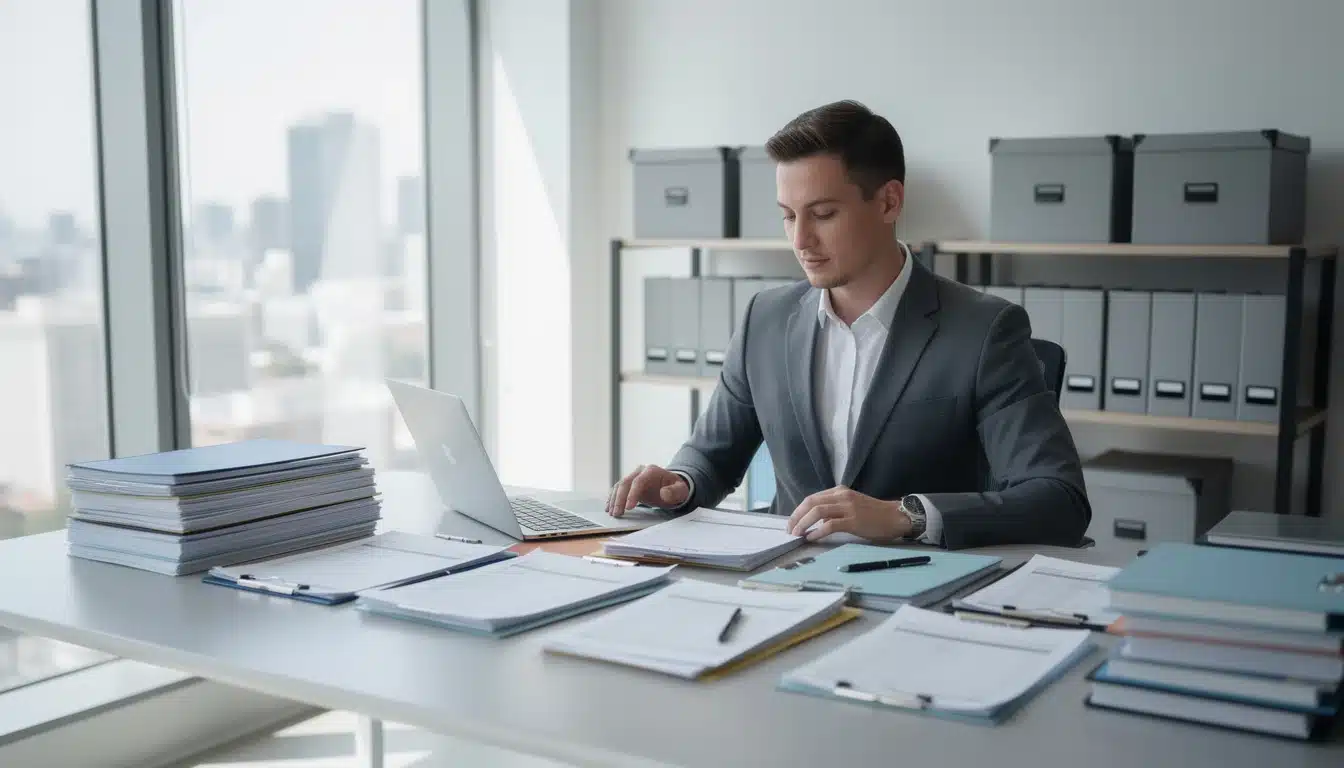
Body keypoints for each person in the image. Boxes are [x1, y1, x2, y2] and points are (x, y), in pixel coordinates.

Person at [607, 100, 1090, 549]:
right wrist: (678, 484)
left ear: (888, 203)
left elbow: (1058, 497)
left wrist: (908, 515)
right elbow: (712, 458)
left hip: (913, 587)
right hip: (783, 576)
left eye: (823, 214)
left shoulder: (985, 330)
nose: (801, 239)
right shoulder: (765, 319)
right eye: (788, 216)